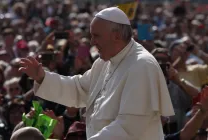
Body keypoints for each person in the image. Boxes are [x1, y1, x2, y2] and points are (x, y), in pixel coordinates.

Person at [19, 7, 174, 139]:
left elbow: (129, 128)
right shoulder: (104, 62)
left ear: (116, 36)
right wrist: (43, 77)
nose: (92, 42)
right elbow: (78, 89)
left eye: (96, 36)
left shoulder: (142, 65)